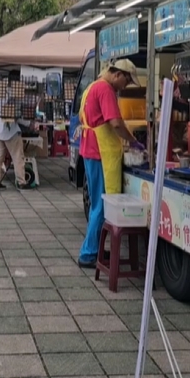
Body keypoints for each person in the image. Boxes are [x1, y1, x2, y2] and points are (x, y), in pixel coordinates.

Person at [77, 59, 144, 268]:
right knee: (100, 205)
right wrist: (133, 141)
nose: (125, 87)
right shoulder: (106, 90)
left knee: (98, 203)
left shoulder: (91, 87)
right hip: (100, 153)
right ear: (117, 74)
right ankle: (88, 253)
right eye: (126, 81)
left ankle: (94, 249)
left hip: (89, 150)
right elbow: (115, 123)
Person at [0, 91, 32, 190]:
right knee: (18, 156)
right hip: (11, 132)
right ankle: (21, 181)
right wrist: (28, 123)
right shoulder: (11, 95)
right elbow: (15, 116)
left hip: (0, 130)